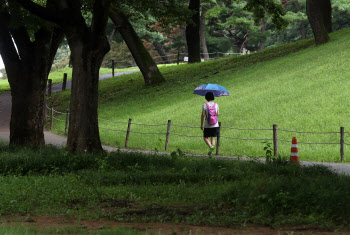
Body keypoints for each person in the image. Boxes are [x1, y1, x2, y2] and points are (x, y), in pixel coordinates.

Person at [201, 92, 219, 158]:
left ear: (206, 97)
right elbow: (218, 114)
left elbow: (203, 115)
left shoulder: (205, 105)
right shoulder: (216, 104)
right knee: (212, 138)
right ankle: (211, 153)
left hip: (207, 124)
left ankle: (210, 147)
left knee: (205, 137)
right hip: (215, 124)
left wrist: (201, 124)